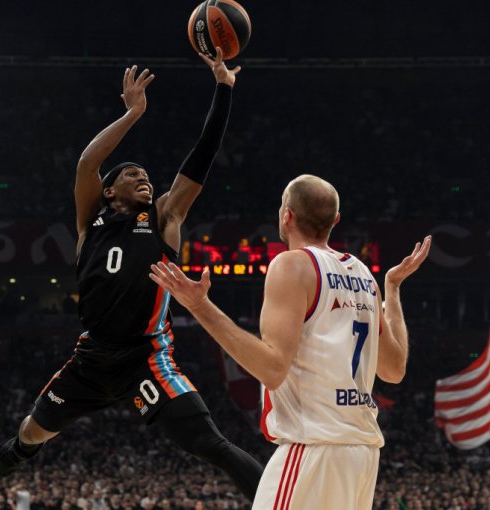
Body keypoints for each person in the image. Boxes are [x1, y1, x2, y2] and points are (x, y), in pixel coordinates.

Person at [0, 47, 264, 500]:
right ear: (109, 190)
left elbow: (202, 155)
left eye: (147, 176)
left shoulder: (163, 216)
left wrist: (223, 88)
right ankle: (21, 449)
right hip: (92, 357)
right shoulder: (89, 223)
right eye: (132, 174)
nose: (144, 179)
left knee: (208, 443)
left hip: (146, 357)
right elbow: (86, 165)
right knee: (33, 431)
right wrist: (133, 114)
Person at [150, 174, 431, 509]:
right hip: (362, 454)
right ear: (335, 221)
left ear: (287, 216)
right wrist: (393, 289)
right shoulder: (363, 274)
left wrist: (200, 306)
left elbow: (272, 369)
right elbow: (394, 369)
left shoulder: (292, 265)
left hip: (313, 448)